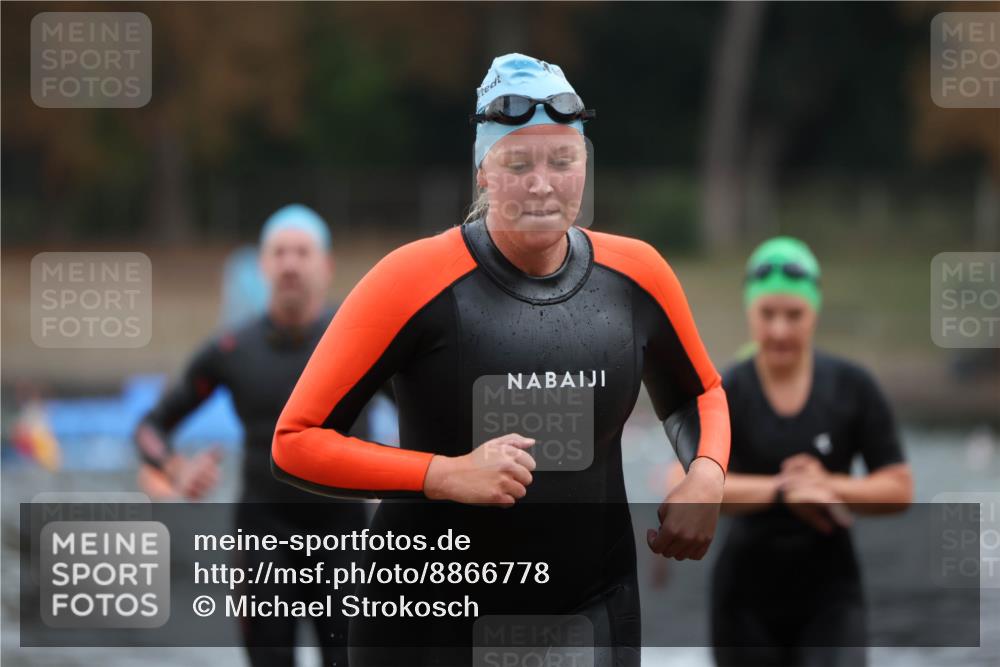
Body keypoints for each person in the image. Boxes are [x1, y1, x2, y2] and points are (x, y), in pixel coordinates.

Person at [272, 53, 731, 667]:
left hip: (591, 606)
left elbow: (700, 392)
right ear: (484, 172)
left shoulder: (636, 275)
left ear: (585, 166)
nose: (543, 184)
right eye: (518, 163)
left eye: (563, 161)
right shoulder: (413, 279)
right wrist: (443, 474)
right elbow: (297, 439)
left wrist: (706, 473)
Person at [133, 204, 375, 667]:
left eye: (302, 253)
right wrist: (175, 468)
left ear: (324, 267)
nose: (289, 264)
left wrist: (411, 475)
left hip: (346, 540)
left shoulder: (361, 343)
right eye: (279, 253)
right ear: (262, 265)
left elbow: (426, 415)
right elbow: (150, 428)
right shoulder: (232, 350)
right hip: (262, 538)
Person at [670, 236, 914, 667]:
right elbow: (681, 488)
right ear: (750, 312)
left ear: (814, 311)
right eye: (768, 314)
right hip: (743, 603)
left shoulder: (853, 388)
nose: (780, 329)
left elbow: (899, 487)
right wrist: (782, 490)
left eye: (794, 314)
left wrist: (827, 486)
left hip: (831, 598)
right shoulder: (726, 393)